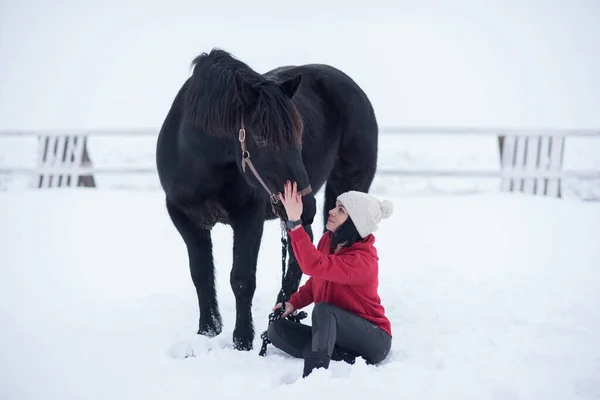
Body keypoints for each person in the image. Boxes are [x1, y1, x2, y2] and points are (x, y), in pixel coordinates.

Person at [266, 181, 393, 378]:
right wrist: (292, 304)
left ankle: (315, 377)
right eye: (335, 206)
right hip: (339, 333)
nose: (332, 211)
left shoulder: (363, 261)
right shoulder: (329, 240)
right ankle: (341, 355)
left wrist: (295, 223)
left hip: (374, 340)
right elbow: (318, 278)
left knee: (324, 310)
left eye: (341, 210)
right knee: (277, 330)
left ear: (355, 224)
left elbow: (313, 265)